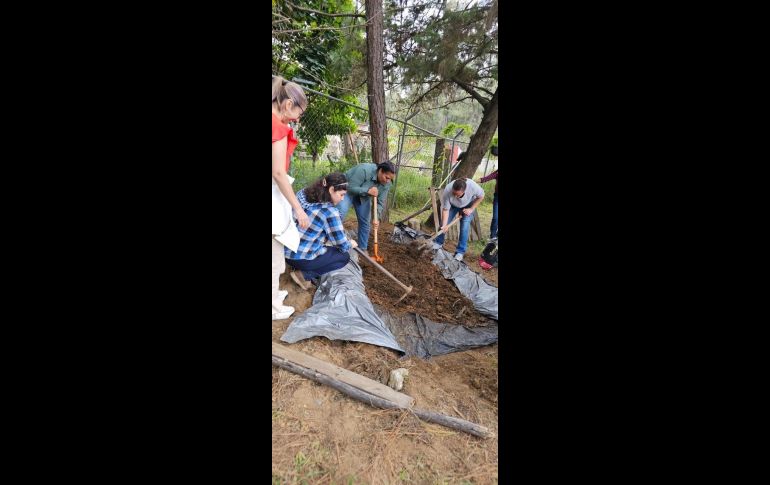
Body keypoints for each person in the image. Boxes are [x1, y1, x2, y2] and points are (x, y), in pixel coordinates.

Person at [272, 76, 311, 321]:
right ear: (288, 104)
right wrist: (298, 208)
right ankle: (273, 308)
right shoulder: (277, 128)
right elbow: (277, 173)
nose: (297, 119)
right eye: (298, 113)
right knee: (274, 256)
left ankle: (274, 294)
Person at [285, 172, 358, 289]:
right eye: (341, 194)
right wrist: (351, 244)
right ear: (331, 189)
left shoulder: (303, 194)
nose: (343, 199)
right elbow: (341, 244)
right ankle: (303, 275)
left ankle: (298, 268)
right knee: (343, 257)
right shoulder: (330, 212)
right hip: (300, 258)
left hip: (286, 250)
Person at [334, 161, 396, 254]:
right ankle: (332, 241)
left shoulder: (387, 183)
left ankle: (362, 250)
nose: (387, 181)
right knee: (339, 214)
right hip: (347, 191)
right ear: (380, 171)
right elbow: (350, 187)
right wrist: (367, 191)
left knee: (365, 222)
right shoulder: (364, 170)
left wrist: (376, 218)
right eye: (386, 177)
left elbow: (380, 202)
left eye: (390, 179)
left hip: (363, 196)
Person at [432, 177, 485, 261]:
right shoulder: (448, 190)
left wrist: (471, 209)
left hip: (468, 205)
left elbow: (481, 196)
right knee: (443, 224)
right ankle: (438, 242)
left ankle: (460, 252)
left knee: (464, 227)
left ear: (464, 191)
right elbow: (445, 210)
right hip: (453, 205)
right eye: (454, 193)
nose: (455, 196)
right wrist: (445, 225)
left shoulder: (472, 186)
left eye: (458, 195)